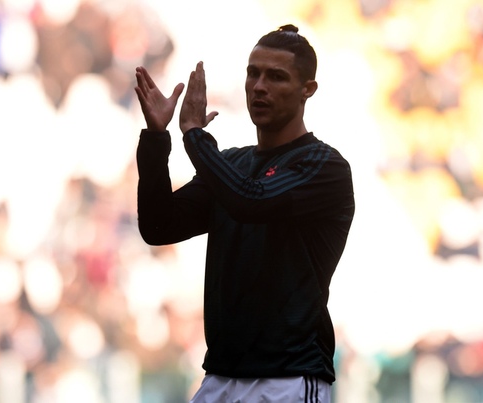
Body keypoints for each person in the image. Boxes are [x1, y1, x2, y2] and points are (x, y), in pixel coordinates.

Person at [134, 24, 355, 403]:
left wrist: (195, 136)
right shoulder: (232, 164)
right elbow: (159, 227)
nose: (259, 87)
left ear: (308, 89)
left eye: (276, 77)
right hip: (220, 376)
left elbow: (250, 200)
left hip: (287, 379)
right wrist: (156, 139)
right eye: (253, 73)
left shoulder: (324, 166)